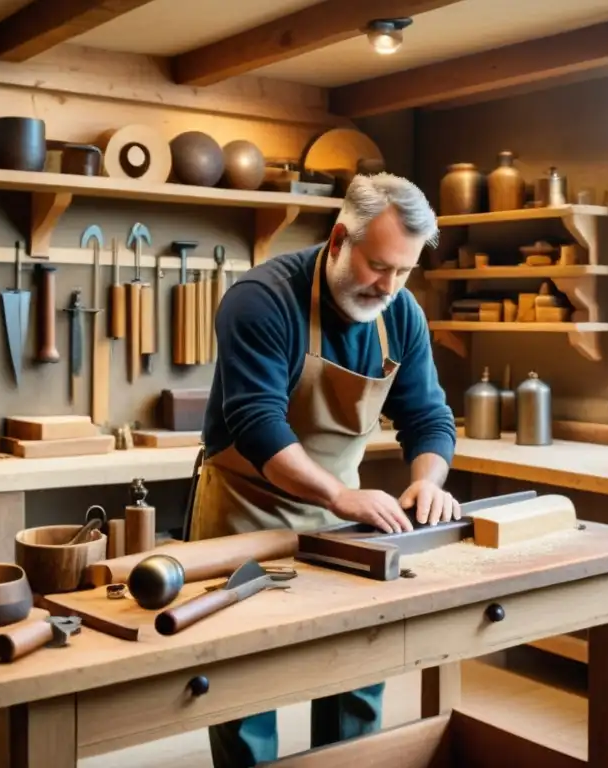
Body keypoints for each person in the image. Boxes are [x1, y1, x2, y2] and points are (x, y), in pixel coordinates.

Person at [188, 172, 459, 767]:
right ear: (339, 239)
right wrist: (340, 497)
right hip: (245, 513)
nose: (389, 286)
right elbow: (257, 424)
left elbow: (429, 415)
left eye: (404, 271)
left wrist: (427, 480)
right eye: (379, 267)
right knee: (246, 687)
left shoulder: (402, 314)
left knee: (357, 668)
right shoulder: (261, 299)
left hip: (341, 516)